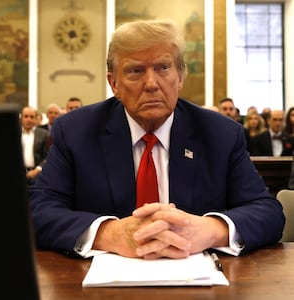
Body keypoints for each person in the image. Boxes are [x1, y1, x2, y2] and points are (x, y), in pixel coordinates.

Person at [29, 19, 285, 260]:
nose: (151, 83)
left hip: (198, 280)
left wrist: (209, 229)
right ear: (114, 83)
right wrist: (109, 234)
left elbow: (267, 211)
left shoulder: (220, 134)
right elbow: (37, 211)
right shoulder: (75, 132)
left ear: (181, 77)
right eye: (135, 71)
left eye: (163, 68)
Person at [20, 106, 49, 185]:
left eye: (32, 117)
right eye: (26, 116)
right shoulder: (15, 133)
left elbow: (48, 155)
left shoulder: (44, 134)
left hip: (38, 175)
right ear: (21, 118)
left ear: (36, 119)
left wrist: (37, 170)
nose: (28, 119)